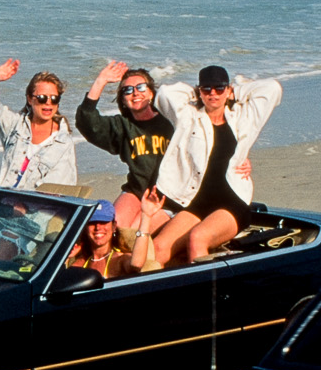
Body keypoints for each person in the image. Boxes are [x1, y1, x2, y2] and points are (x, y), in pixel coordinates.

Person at [148, 65, 281, 268]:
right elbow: (165, 94)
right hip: (196, 201)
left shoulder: (242, 117)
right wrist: (196, 92)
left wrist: (234, 91)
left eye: (219, 88)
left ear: (227, 91)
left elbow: (272, 89)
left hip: (232, 201)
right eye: (206, 89)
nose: (213, 94)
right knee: (159, 246)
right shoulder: (188, 117)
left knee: (197, 238)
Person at [75, 61, 174, 252]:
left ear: (152, 93)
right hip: (136, 191)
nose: (135, 93)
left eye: (141, 87)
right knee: (116, 230)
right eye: (128, 90)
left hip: (168, 196)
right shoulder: (122, 126)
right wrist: (101, 80)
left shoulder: (171, 121)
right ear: (123, 99)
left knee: (132, 236)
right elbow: (87, 121)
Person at [0, 59, 78, 191]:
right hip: (1, 203)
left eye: (54, 99)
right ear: (30, 99)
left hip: (37, 209)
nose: (48, 103)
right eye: (42, 98)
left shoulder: (63, 143)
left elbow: (58, 190)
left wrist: (24, 206)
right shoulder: (16, 125)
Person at [64, 191, 164, 279]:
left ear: (114, 226)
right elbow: (60, 283)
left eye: (103, 222)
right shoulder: (81, 262)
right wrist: (66, 257)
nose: (98, 227)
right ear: (85, 228)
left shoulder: (119, 260)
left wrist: (146, 216)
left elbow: (136, 264)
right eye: (93, 222)